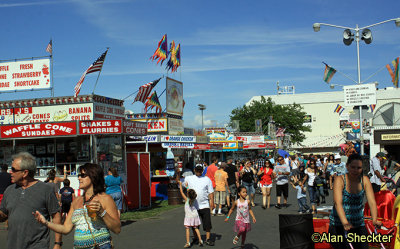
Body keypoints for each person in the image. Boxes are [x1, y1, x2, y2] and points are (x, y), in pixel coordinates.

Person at [34, 163, 121, 249]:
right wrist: (46, 222)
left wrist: (102, 212)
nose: (79, 178)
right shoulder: (76, 201)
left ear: (93, 177)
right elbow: (65, 229)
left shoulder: (105, 199)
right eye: (79, 175)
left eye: (83, 175)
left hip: (100, 246)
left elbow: (117, 229)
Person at [0, 152, 62, 249]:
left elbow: (56, 216)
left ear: (25, 173)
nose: (10, 172)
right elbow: (3, 215)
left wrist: (58, 243)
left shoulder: (45, 190)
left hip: (37, 245)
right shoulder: (9, 190)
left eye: (13, 169)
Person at [329, 153, 381, 249]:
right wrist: (345, 222)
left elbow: (372, 202)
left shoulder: (364, 180)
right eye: (353, 167)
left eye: (359, 168)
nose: (356, 170)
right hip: (339, 225)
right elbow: (337, 203)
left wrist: (374, 219)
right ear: (347, 166)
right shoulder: (340, 180)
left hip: (358, 224)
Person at [182, 164, 215, 246]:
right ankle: (196, 238)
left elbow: (211, 192)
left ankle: (207, 239)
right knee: (194, 224)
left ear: (202, 170)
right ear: (194, 170)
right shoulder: (189, 178)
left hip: (205, 204)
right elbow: (182, 183)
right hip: (193, 206)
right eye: (197, 170)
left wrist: (212, 202)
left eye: (200, 170)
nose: (199, 172)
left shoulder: (207, 179)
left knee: (207, 223)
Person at [178, 181, 203, 248]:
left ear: (188, 195)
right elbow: (190, 192)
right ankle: (200, 240)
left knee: (187, 228)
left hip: (189, 216)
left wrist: (180, 185)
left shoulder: (187, 200)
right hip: (195, 215)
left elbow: (181, 192)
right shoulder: (193, 199)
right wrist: (187, 187)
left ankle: (188, 242)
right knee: (196, 228)